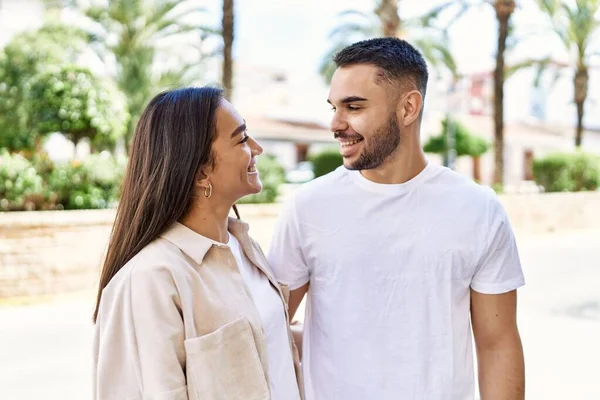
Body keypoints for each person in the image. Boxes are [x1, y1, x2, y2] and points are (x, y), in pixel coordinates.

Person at [268, 38, 525, 400]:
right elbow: (270, 327)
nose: (335, 124)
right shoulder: (307, 207)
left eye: (353, 107)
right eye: (334, 107)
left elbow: (497, 344)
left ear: (408, 108)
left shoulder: (478, 209)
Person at [92, 87, 303, 400]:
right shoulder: (151, 278)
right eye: (242, 138)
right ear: (202, 171)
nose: (257, 148)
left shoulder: (244, 247)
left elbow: (271, 351)